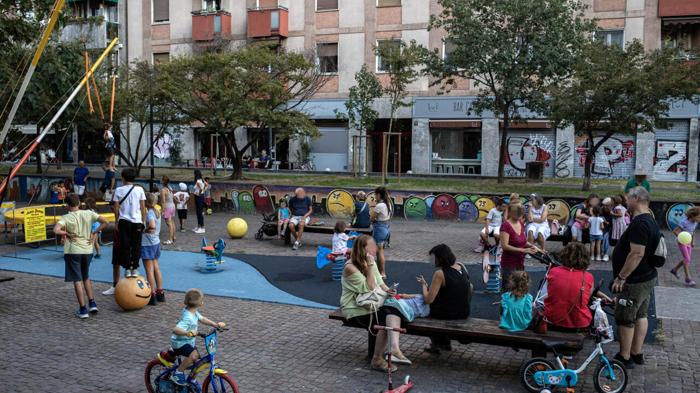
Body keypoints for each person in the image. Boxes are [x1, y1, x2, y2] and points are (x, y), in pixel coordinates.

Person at [611, 186, 661, 369]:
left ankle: (624, 357)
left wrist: (621, 277)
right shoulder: (650, 219)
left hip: (635, 280)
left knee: (626, 317)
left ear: (637, 198)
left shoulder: (640, 223)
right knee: (640, 314)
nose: (625, 199)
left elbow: (637, 253)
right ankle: (636, 352)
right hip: (647, 277)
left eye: (628, 196)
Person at [340, 235, 407, 371]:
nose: (376, 248)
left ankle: (392, 350)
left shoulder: (369, 261)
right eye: (373, 245)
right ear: (364, 249)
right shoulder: (350, 267)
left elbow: (380, 282)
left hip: (371, 302)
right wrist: (370, 264)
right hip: (354, 307)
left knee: (392, 312)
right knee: (382, 320)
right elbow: (369, 287)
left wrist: (389, 291)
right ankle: (376, 359)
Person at [53, 194, 108, 318]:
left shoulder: (66, 217)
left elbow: (56, 230)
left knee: (77, 279)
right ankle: (92, 303)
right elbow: (106, 222)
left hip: (73, 251)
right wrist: (94, 232)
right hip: (87, 250)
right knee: (86, 277)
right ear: (79, 203)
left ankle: (83, 309)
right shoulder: (88, 213)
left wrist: (66, 233)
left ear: (67, 205)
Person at [417, 244, 472, 354]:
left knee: (425, 306)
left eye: (433, 258)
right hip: (464, 311)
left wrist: (423, 285)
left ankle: (438, 343)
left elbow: (429, 299)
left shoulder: (440, 274)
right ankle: (442, 343)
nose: (432, 261)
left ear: (439, 258)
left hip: (448, 314)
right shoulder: (461, 266)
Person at [544, 243, 610, 331]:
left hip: (552, 320)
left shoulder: (553, 272)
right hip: (579, 323)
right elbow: (588, 295)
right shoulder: (588, 276)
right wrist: (608, 299)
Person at [103, 168, 147, 295]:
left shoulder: (118, 190)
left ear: (122, 177)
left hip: (124, 221)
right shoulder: (139, 189)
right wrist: (143, 221)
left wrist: (117, 221)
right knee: (136, 244)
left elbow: (116, 207)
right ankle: (135, 268)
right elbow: (143, 207)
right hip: (137, 221)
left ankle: (128, 268)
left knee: (125, 245)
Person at [169, 289, 226, 385]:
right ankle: (178, 373)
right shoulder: (188, 317)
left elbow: (203, 319)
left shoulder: (193, 312)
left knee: (197, 360)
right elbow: (175, 329)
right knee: (194, 355)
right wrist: (187, 333)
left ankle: (191, 379)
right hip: (179, 343)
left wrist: (215, 325)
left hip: (188, 342)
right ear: (200, 303)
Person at [500, 204, 539, 291]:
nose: (520, 216)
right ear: (511, 213)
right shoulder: (505, 226)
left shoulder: (521, 224)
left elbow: (523, 241)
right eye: (518, 214)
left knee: (519, 288)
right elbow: (505, 246)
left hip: (520, 261)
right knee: (508, 289)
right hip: (509, 263)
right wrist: (523, 250)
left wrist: (535, 247)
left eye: (520, 214)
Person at [142, 193, 165, 305]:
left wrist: (144, 230)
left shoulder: (150, 213)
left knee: (149, 270)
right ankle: (160, 292)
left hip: (147, 243)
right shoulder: (157, 211)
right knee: (156, 268)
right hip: (156, 242)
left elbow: (152, 226)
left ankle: (152, 295)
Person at [670, 206, 700, 287]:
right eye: (698, 216)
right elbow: (675, 230)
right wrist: (680, 238)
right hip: (682, 242)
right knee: (687, 259)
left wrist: (693, 241)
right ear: (693, 216)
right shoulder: (684, 222)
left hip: (689, 242)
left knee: (686, 259)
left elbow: (692, 232)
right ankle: (688, 278)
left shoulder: (695, 223)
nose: (699, 219)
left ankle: (674, 270)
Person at [372, 186, 392, 277]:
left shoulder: (379, 205)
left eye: (376, 195)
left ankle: (382, 273)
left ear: (379, 195)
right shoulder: (388, 204)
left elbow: (371, 218)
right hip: (386, 228)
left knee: (379, 251)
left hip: (379, 229)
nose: (375, 197)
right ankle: (381, 272)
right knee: (380, 251)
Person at [160, 176, 176, 245]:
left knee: (169, 223)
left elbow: (163, 201)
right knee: (171, 222)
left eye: (161, 179)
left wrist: (163, 211)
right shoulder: (170, 188)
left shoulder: (163, 190)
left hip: (168, 207)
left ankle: (170, 240)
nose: (160, 180)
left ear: (163, 181)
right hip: (172, 206)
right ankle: (173, 236)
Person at [600, 197, 614, 261]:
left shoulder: (614, 211)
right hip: (602, 228)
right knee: (604, 235)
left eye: (607, 205)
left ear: (611, 205)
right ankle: (603, 253)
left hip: (612, 229)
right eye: (604, 205)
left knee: (606, 237)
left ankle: (606, 254)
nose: (605, 207)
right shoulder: (601, 210)